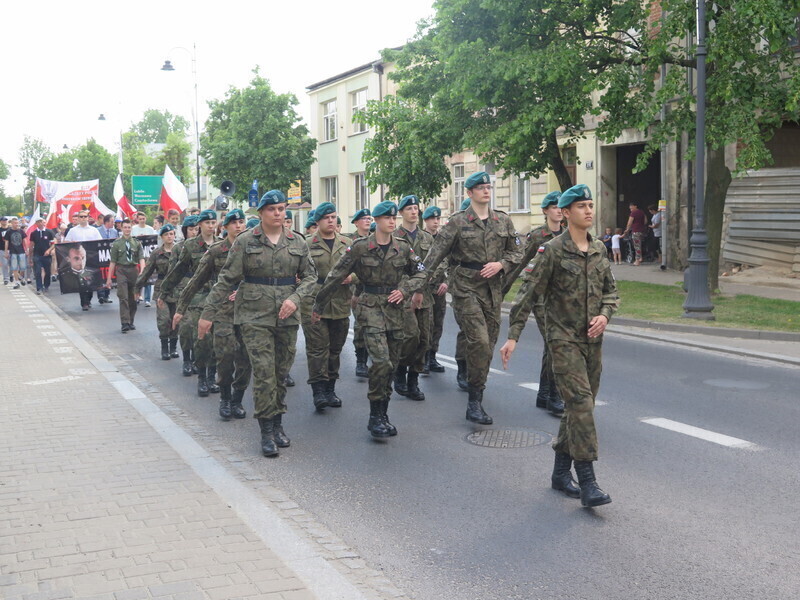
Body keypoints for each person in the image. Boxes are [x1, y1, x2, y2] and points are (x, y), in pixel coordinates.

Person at [500, 184, 618, 508]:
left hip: (592, 341)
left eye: (591, 205)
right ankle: (589, 481)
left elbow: (612, 292)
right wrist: (513, 336)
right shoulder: (551, 250)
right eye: (581, 206)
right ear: (566, 213)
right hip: (562, 338)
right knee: (580, 404)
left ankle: (559, 473)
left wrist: (605, 316)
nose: (589, 211)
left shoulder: (599, 249)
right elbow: (528, 294)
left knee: (579, 408)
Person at [199, 190, 317, 457]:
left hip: (287, 315)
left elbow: (311, 277)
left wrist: (296, 298)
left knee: (280, 373)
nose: (278, 213)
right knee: (264, 372)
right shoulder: (244, 241)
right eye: (272, 209)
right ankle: (266, 431)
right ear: (261, 213)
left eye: (281, 208)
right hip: (254, 315)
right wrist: (208, 313)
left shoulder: (297, 241)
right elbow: (226, 280)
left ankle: (277, 424)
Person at [313, 201, 427, 439]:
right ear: (376, 221)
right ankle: (374, 416)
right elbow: (336, 275)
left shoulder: (403, 248)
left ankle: (383, 413)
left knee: (392, 364)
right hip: (370, 307)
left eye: (393, 217)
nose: (391, 221)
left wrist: (405, 289)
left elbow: (421, 272)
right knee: (382, 362)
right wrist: (319, 304)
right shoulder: (360, 247)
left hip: (395, 309)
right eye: (386, 218)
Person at [423, 171, 522, 425]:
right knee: (478, 341)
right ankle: (474, 404)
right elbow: (433, 257)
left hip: (492, 290)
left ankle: (477, 390)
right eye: (480, 188)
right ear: (469, 193)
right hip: (465, 288)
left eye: (488, 187)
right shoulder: (457, 222)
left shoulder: (502, 221)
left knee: (487, 346)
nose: (486, 191)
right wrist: (414, 287)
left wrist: (500, 264)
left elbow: (516, 254)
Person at [175, 209, 251, 420]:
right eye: (234, 222)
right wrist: (180, 309)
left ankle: (237, 399)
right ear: (224, 227)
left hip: (248, 312)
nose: (239, 226)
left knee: (245, 360)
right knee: (225, 356)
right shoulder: (216, 251)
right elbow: (196, 281)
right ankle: (225, 397)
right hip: (222, 311)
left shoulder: (253, 248)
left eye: (241, 222)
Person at [501, 191, 566, 417]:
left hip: (561, 299)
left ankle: (545, 393)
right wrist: (502, 290)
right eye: (554, 206)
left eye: (561, 206)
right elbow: (520, 263)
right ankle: (554, 395)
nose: (558, 210)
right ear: (545, 210)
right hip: (540, 298)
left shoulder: (568, 235)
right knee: (554, 342)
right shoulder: (538, 236)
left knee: (552, 344)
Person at [299, 202, 353, 411]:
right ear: (318, 221)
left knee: (335, 349)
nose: (331, 221)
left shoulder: (347, 243)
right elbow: (300, 272)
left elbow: (361, 269)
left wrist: (353, 277)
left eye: (333, 217)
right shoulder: (306, 244)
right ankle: (318, 391)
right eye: (326, 218)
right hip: (314, 302)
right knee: (317, 349)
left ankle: (330, 388)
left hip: (340, 302)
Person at [160, 209, 218, 397]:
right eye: (207, 223)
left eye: (213, 222)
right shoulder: (189, 247)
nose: (211, 226)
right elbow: (177, 270)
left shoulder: (222, 245)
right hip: (195, 297)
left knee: (218, 341)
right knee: (200, 338)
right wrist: (165, 291)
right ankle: (201, 376)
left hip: (217, 298)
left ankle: (212, 377)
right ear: (200, 225)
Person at [392, 194, 437, 400]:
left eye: (416, 208)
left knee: (424, 340)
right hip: (403, 295)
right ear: (401, 212)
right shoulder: (393, 236)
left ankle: (414, 380)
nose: (413, 211)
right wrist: (411, 289)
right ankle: (401, 368)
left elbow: (437, 263)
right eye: (409, 208)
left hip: (424, 295)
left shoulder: (427, 238)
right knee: (410, 335)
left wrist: (422, 287)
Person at [159, 216, 200, 375]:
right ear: (185, 230)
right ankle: (187, 360)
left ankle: (198, 360)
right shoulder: (179, 248)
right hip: (183, 292)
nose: (194, 232)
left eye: (196, 229)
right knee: (186, 328)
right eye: (191, 229)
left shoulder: (207, 248)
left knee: (200, 330)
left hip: (202, 292)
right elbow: (173, 273)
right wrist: (165, 293)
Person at [135, 224, 179, 360]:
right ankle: (164, 348)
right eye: (166, 234)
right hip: (162, 290)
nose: (169, 236)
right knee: (164, 320)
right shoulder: (157, 253)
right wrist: (137, 288)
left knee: (176, 321)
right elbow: (147, 271)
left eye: (171, 234)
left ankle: (173, 348)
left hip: (178, 289)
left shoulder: (181, 251)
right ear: (162, 237)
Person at [105, 220, 145, 332]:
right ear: (121, 229)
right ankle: (125, 322)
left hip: (133, 271)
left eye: (129, 227)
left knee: (133, 298)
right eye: (125, 227)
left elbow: (141, 258)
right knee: (123, 297)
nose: (127, 229)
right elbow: (112, 262)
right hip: (121, 270)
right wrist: (109, 279)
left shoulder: (137, 243)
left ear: (131, 228)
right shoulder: (117, 244)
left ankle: (131, 321)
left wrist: (142, 271)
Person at [422, 205, 448, 373]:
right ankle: (422, 358)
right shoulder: (421, 238)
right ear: (425, 220)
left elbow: (451, 262)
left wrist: (447, 282)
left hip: (439, 288)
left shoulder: (445, 239)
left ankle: (432, 357)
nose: (436, 222)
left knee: (437, 323)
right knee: (425, 325)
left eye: (438, 219)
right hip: (423, 289)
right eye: (433, 219)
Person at [348, 208, 372, 377]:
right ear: (356, 223)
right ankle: (361, 361)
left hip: (374, 289)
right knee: (360, 326)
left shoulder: (376, 239)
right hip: (357, 291)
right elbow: (347, 268)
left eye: (369, 218)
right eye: (363, 219)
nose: (367, 221)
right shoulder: (351, 242)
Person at [58, 244, 103, 308]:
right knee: (82, 287)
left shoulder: (93, 273)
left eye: (83, 258)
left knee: (89, 286)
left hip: (86, 273)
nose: (80, 262)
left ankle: (88, 301)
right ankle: (84, 303)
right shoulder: (65, 275)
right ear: (68, 259)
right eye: (76, 258)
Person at [131, 212, 157, 307]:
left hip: (148, 256)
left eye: (143, 218)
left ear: (145, 219)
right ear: (137, 219)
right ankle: (137, 296)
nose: (142, 220)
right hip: (137, 257)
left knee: (148, 277)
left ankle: (147, 299)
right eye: (140, 219)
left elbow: (154, 241)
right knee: (138, 277)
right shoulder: (133, 229)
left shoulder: (150, 229)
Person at [96, 214, 119, 304]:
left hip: (111, 257)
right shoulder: (97, 230)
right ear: (106, 222)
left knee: (109, 275)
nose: (114, 223)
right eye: (112, 221)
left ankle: (106, 295)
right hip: (100, 257)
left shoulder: (114, 231)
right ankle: (100, 295)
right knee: (101, 275)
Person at [29, 217, 55, 294]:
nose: (40, 223)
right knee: (37, 272)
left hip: (46, 255)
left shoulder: (49, 232)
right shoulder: (33, 233)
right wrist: (30, 257)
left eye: (41, 221)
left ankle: (46, 285)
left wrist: (49, 250)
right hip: (37, 255)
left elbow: (53, 244)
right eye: (38, 222)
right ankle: (39, 287)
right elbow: (31, 245)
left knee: (47, 271)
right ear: (36, 223)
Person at [4, 217, 28, 289]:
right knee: (14, 267)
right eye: (15, 223)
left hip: (21, 251)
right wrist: (6, 252)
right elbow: (6, 242)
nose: (16, 224)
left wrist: (27, 249)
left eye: (17, 223)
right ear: (11, 223)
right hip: (13, 251)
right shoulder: (9, 232)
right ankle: (17, 282)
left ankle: (20, 276)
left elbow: (24, 240)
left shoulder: (21, 231)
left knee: (23, 267)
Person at [622, 201, 647, 266]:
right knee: (639, 244)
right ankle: (640, 258)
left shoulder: (633, 213)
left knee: (636, 246)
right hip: (642, 230)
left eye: (631, 208)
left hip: (635, 231)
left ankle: (637, 261)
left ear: (635, 206)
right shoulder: (642, 212)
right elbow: (645, 221)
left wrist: (627, 229)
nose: (631, 210)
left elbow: (629, 222)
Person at [0, 216, 10, 284]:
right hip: (2, 249)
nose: (5, 221)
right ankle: (6, 278)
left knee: (13, 264)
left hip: (12, 249)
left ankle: (11, 275)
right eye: (3, 220)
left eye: (6, 220)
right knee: (5, 264)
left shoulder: (10, 229)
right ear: (1, 222)